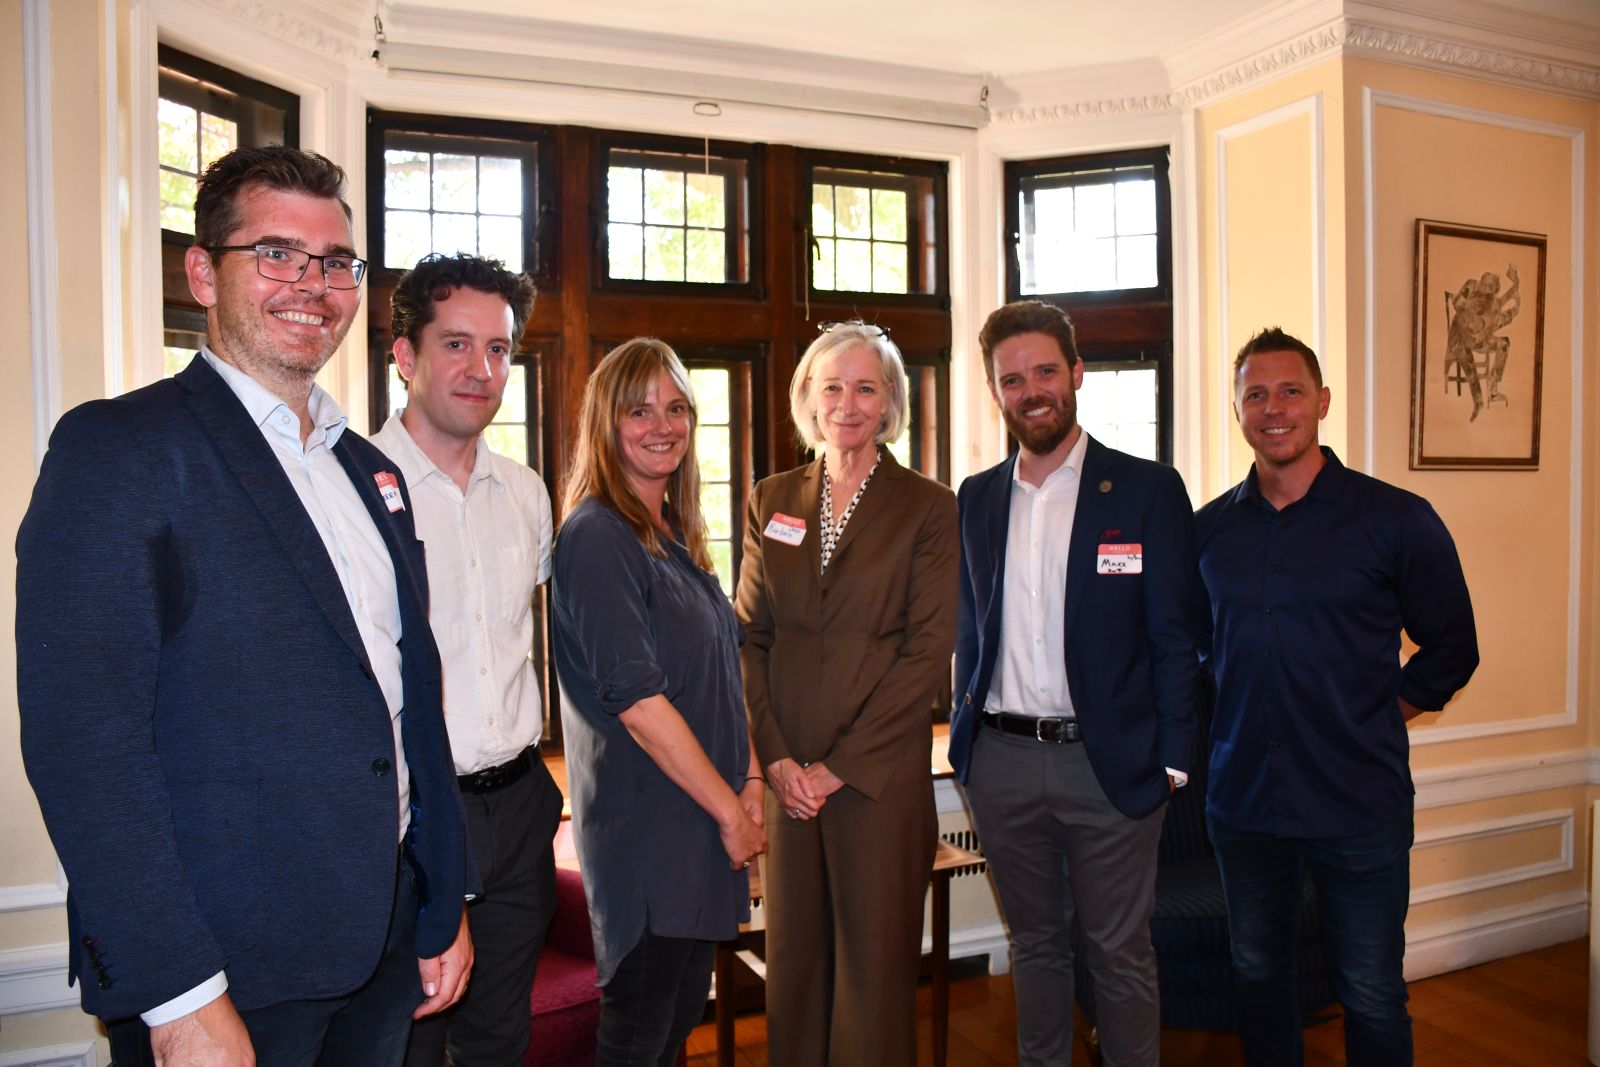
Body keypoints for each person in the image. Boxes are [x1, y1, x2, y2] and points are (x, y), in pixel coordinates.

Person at [16, 146, 476, 1067]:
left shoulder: (371, 471)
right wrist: (179, 996)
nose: (313, 284)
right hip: (226, 971)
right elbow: (84, 743)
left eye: (336, 263)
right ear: (201, 272)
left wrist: (439, 900)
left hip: (382, 946)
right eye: (276, 253)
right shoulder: (122, 449)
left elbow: (407, 702)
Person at [1195, 327, 1479, 1067]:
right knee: (1258, 976)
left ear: (1322, 401)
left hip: (1359, 802)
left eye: (1290, 390)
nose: (1274, 407)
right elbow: (1192, 652)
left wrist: (1386, 711)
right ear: (1237, 410)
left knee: (1372, 989)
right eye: (1255, 394)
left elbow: (1454, 646)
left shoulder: (1396, 518)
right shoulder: (1207, 532)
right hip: (1245, 805)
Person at [950, 299, 1204, 1066]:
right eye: (1012, 378)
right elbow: (969, 628)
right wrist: (967, 750)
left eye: (1046, 372)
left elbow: (1176, 636)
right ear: (996, 391)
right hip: (1000, 760)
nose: (1032, 390)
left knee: (1118, 953)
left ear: (1078, 374)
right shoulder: (977, 497)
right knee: (1035, 945)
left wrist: (1173, 758)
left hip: (1111, 762)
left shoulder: (1146, 490)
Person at [734, 321, 959, 1067]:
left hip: (876, 785)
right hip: (789, 783)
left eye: (866, 387)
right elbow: (748, 637)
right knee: (795, 970)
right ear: (808, 395)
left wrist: (838, 766)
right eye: (832, 385)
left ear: (890, 399)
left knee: (874, 974)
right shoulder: (774, 497)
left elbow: (927, 652)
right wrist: (777, 761)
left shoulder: (927, 506)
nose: (848, 402)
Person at [551, 338, 767, 1067]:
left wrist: (755, 777)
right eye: (639, 409)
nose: (662, 424)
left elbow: (722, 672)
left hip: (698, 826)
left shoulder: (673, 532)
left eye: (676, 407)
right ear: (605, 424)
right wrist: (732, 811)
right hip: (651, 838)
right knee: (640, 1040)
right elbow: (639, 703)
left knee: (673, 1032)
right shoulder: (596, 536)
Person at [371, 253, 563, 1067]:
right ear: (405, 355)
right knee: (410, 1040)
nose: (482, 369)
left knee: (498, 1035)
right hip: (410, 816)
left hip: (518, 807)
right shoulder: (350, 489)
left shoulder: (526, 493)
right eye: (456, 344)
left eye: (499, 349)